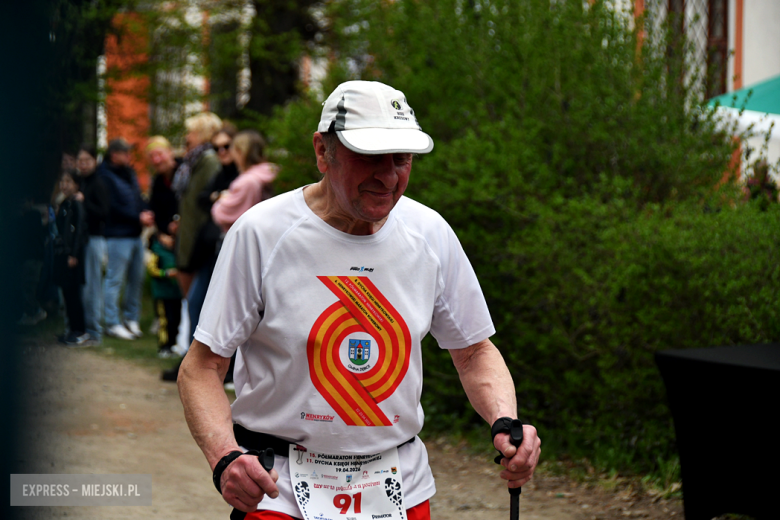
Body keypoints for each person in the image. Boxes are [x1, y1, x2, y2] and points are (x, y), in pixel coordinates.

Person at [178, 81, 541, 520]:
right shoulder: (262, 233)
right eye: (369, 156)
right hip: (280, 492)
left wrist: (506, 421)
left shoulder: (429, 233)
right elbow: (202, 366)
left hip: (399, 490)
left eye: (401, 159)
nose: (387, 176)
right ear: (322, 151)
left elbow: (474, 351)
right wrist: (225, 457)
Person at [99, 138, 155, 340]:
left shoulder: (129, 173)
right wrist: (137, 216)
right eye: (125, 153)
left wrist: (145, 211)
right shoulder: (104, 175)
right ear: (114, 154)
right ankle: (112, 322)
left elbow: (137, 198)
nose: (129, 157)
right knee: (115, 279)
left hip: (134, 234)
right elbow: (111, 206)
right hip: (117, 235)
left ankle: (131, 319)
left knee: (136, 279)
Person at [211, 129, 277, 232]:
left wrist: (221, 199)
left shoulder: (247, 182)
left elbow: (222, 214)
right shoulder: (271, 172)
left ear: (240, 152)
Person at [76, 144, 109, 345]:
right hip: (82, 241)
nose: (83, 164)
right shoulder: (81, 182)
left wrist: (84, 201)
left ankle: (95, 331)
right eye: (80, 161)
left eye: (87, 160)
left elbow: (104, 212)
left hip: (95, 239)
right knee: (84, 286)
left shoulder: (99, 183)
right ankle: (86, 328)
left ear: (94, 162)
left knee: (93, 286)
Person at [53, 170, 89, 345]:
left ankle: (80, 330)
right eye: (62, 181)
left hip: (72, 255)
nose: (64, 185)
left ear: (76, 184)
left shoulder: (76, 205)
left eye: (68, 181)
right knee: (67, 293)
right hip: (63, 254)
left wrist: (74, 254)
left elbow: (79, 230)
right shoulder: (64, 204)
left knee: (74, 294)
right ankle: (71, 329)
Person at [146, 232, 182, 358]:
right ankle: (164, 346)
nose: (170, 239)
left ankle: (173, 345)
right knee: (165, 321)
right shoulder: (157, 252)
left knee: (176, 320)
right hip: (162, 293)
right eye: (167, 236)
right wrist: (166, 274)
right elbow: (151, 269)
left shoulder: (176, 251)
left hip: (176, 293)